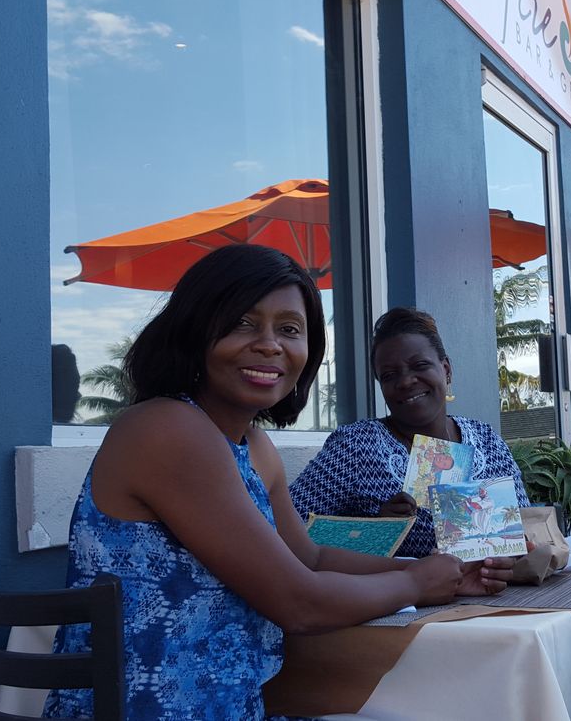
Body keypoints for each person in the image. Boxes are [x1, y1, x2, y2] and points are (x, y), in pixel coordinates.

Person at [44, 245, 515, 720]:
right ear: (194, 330)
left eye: (290, 329)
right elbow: (299, 603)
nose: (270, 344)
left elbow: (311, 557)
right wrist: (415, 582)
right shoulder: (167, 428)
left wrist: (436, 571)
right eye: (242, 323)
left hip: (235, 704)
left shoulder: (254, 445)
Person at [289, 306, 530, 558]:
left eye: (420, 365)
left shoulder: (487, 441)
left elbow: (527, 531)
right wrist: (375, 531)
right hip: (403, 585)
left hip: (496, 584)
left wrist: (514, 561)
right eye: (389, 375)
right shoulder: (356, 445)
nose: (405, 381)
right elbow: (284, 530)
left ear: (446, 370)